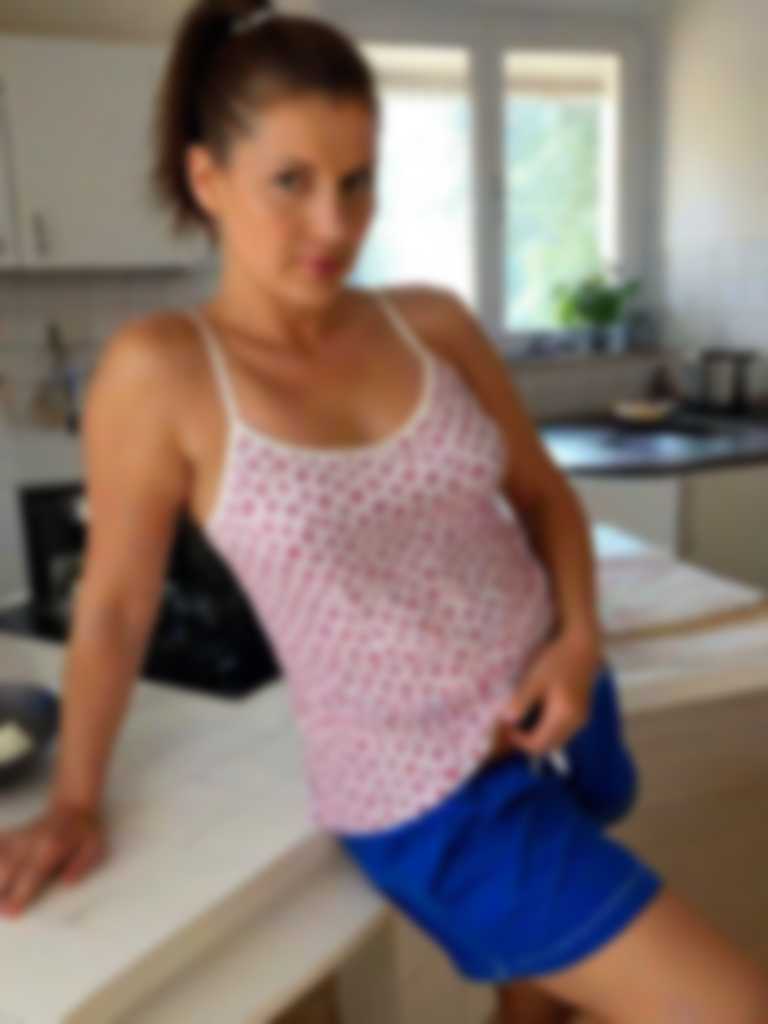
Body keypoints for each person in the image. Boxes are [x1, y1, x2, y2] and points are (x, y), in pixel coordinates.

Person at [1, 3, 767, 1021]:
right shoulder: (164, 372)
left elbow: (541, 494)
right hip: (434, 797)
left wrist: (579, 640)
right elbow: (113, 608)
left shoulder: (431, 322)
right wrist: (74, 800)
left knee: (541, 998)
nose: (335, 225)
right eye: (292, 182)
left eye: (357, 181)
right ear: (207, 179)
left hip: (561, 706)